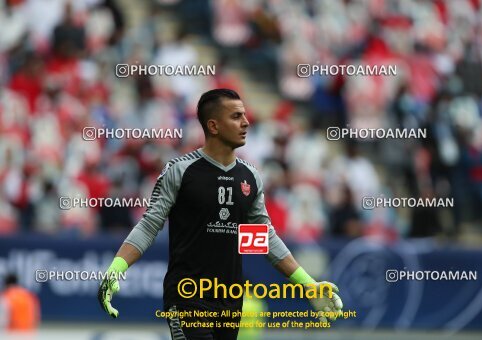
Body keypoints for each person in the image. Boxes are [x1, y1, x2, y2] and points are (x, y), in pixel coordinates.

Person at [97, 89, 343, 339]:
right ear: (213, 126)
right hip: (187, 296)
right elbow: (149, 225)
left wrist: (308, 285)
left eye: (244, 115)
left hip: (231, 300)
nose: (246, 122)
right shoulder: (181, 171)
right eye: (236, 116)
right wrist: (117, 267)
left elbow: (263, 239)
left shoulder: (250, 177)